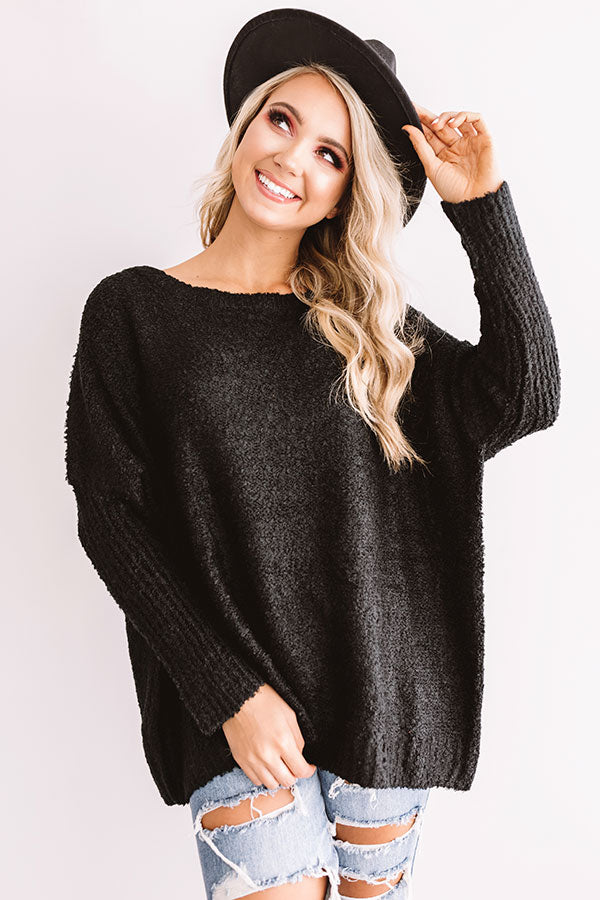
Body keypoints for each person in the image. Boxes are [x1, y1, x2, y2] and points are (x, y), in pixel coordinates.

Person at [63, 8, 562, 900]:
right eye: (282, 121)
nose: (292, 159)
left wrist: (482, 209)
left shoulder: (371, 332)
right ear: (246, 124)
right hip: (236, 711)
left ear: (344, 193)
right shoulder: (133, 312)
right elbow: (111, 519)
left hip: (382, 702)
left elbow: (526, 396)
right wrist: (226, 692)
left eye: (330, 154)